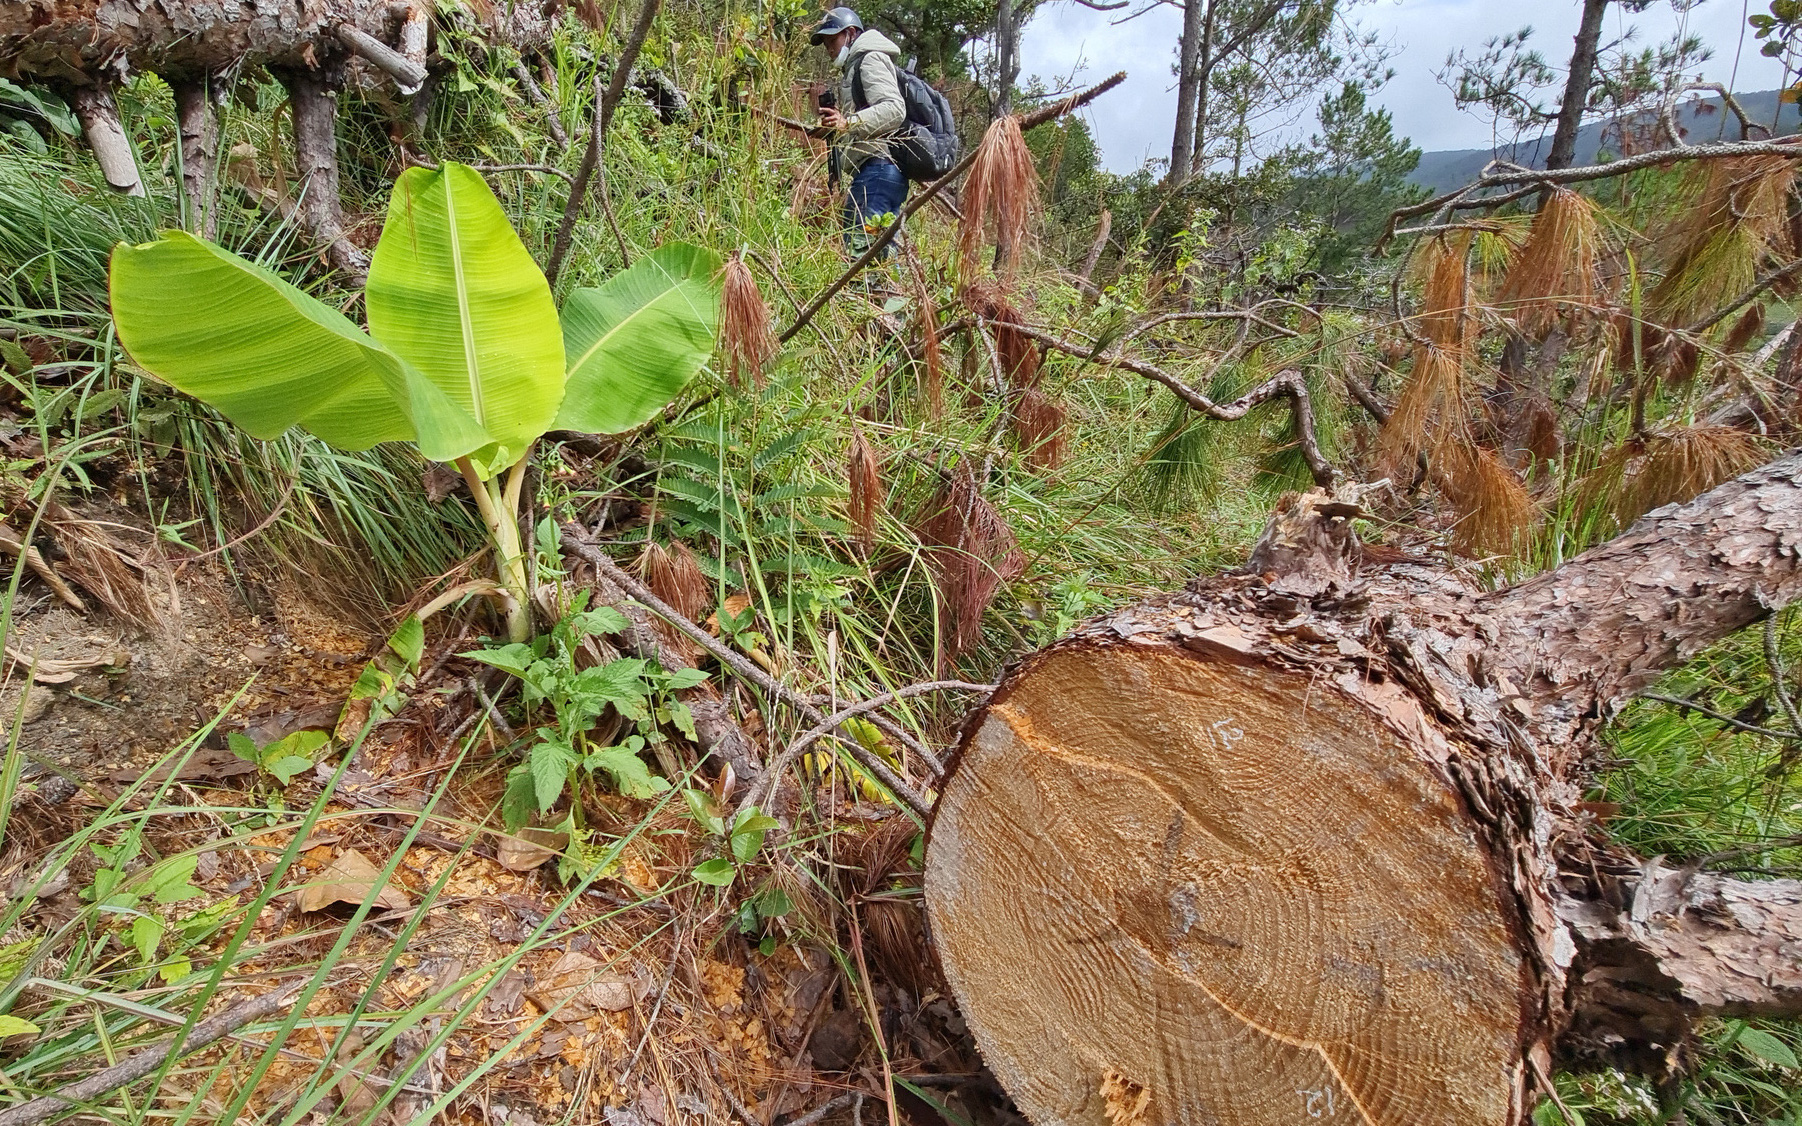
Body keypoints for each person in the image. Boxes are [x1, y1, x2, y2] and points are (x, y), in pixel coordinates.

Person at [811, 7, 908, 256]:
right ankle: (887, 295)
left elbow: (894, 109)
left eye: (833, 40)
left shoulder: (870, 59)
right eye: (826, 44)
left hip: (877, 169)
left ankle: (878, 294)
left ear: (851, 33)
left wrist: (848, 122)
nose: (830, 49)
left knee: (862, 253)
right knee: (879, 255)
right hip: (878, 172)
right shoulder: (856, 66)